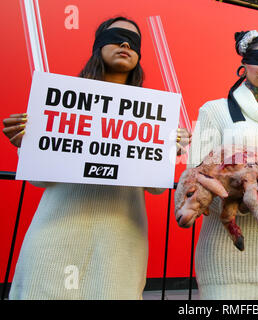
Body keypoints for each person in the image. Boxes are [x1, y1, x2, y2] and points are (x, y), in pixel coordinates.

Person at [2, 16, 191, 300]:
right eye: (116, 36)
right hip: (55, 238)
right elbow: (39, 181)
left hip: (119, 244)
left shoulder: (155, 116)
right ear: (97, 46)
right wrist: (26, 146)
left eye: (134, 41)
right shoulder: (58, 101)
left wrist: (169, 152)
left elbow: (155, 187)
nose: (126, 43)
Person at [187, 30, 258, 299]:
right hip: (225, 255)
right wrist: (240, 203)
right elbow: (195, 177)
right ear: (243, 62)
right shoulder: (213, 111)